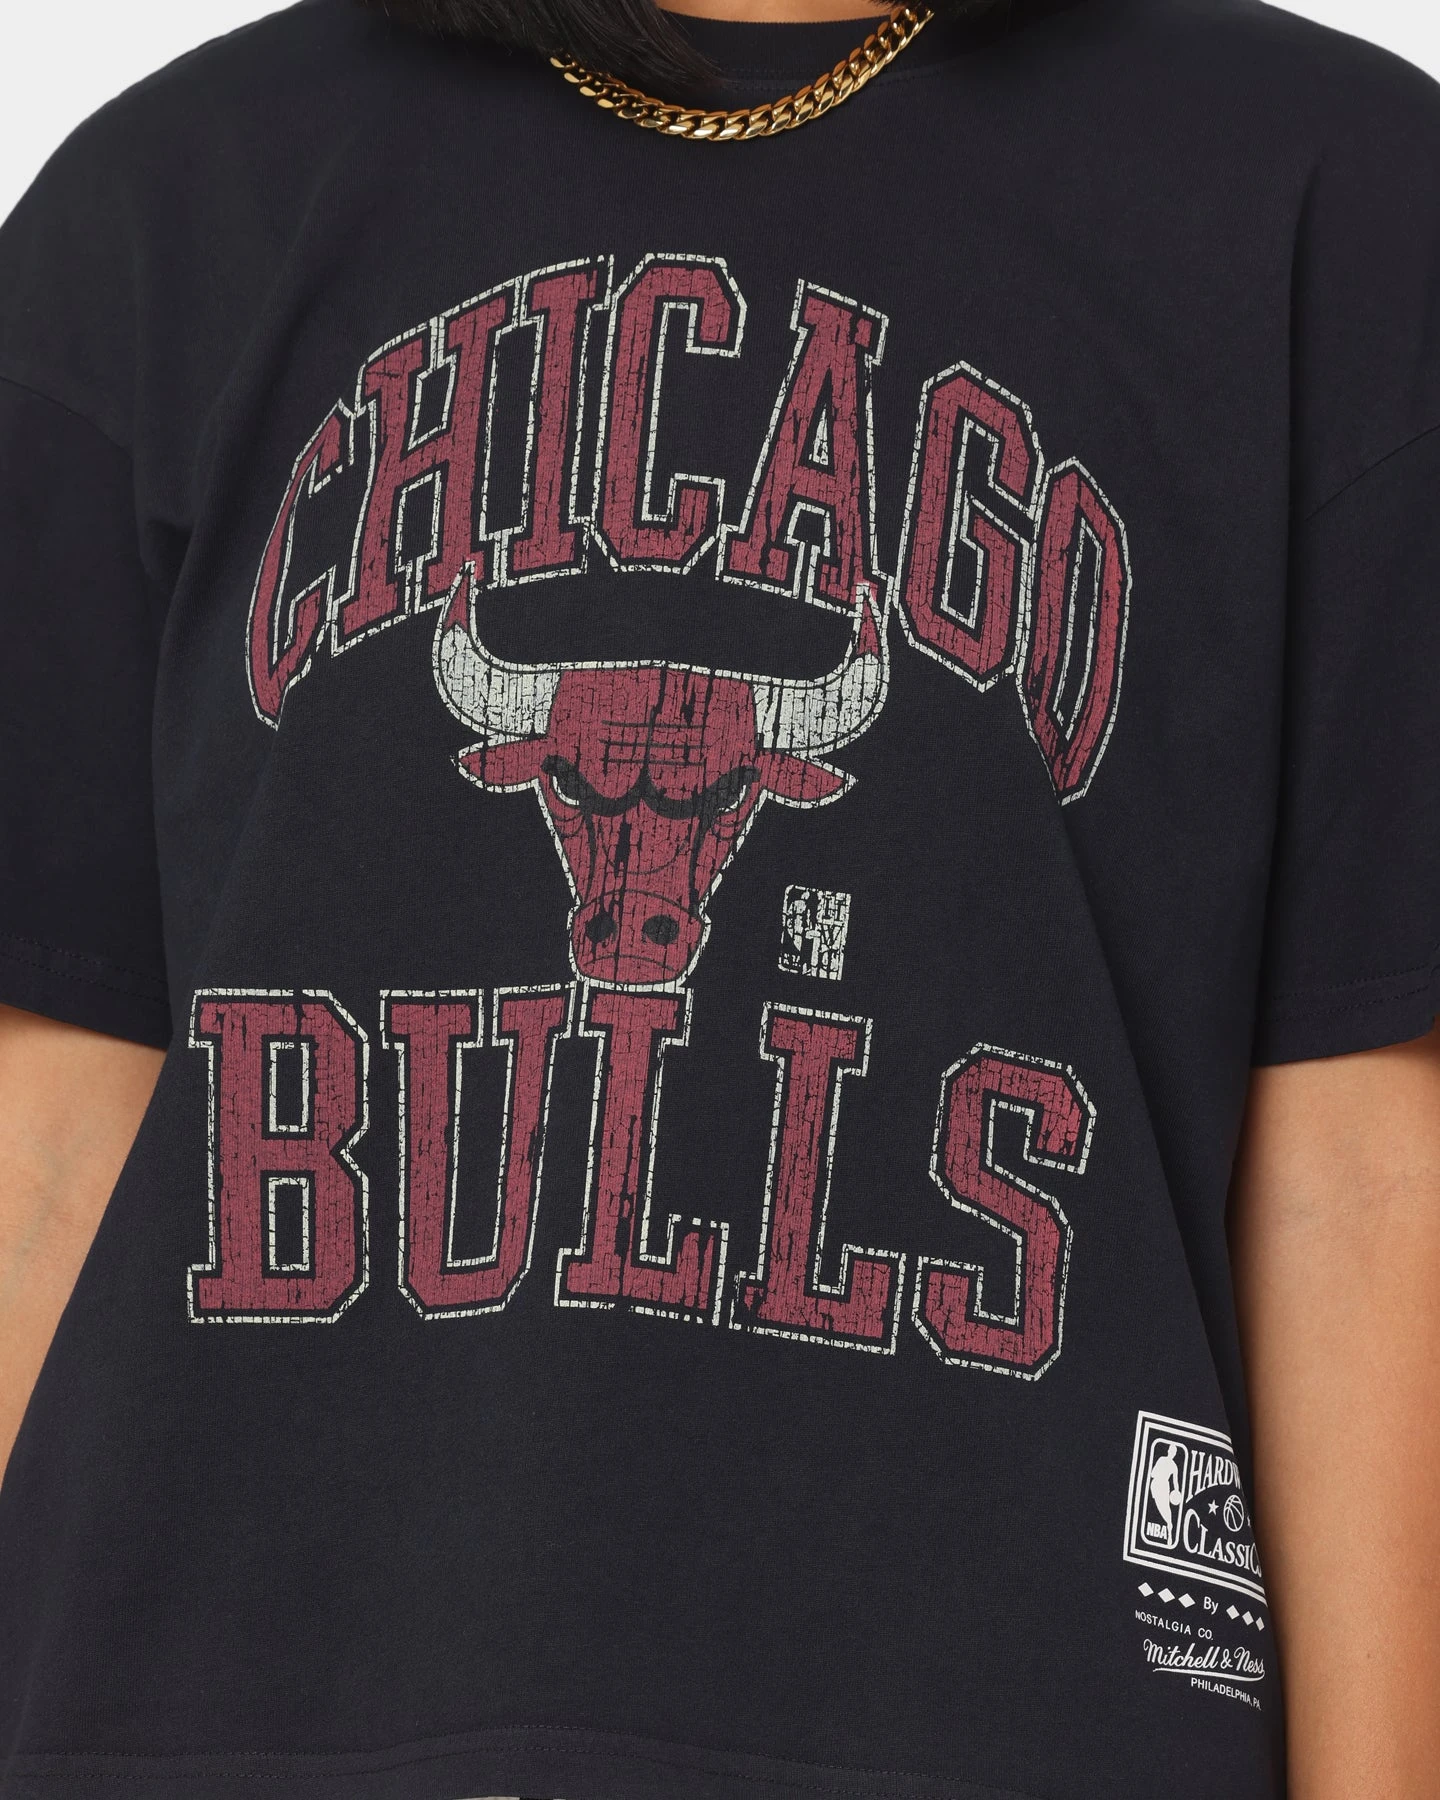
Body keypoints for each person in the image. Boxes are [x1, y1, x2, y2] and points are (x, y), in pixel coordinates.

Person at [0, 0, 1436, 1794]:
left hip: (1009, 1713)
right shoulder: (165, 209)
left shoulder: (1331, 203)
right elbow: (53, 1146)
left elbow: (1363, 1173)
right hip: (213, 1718)